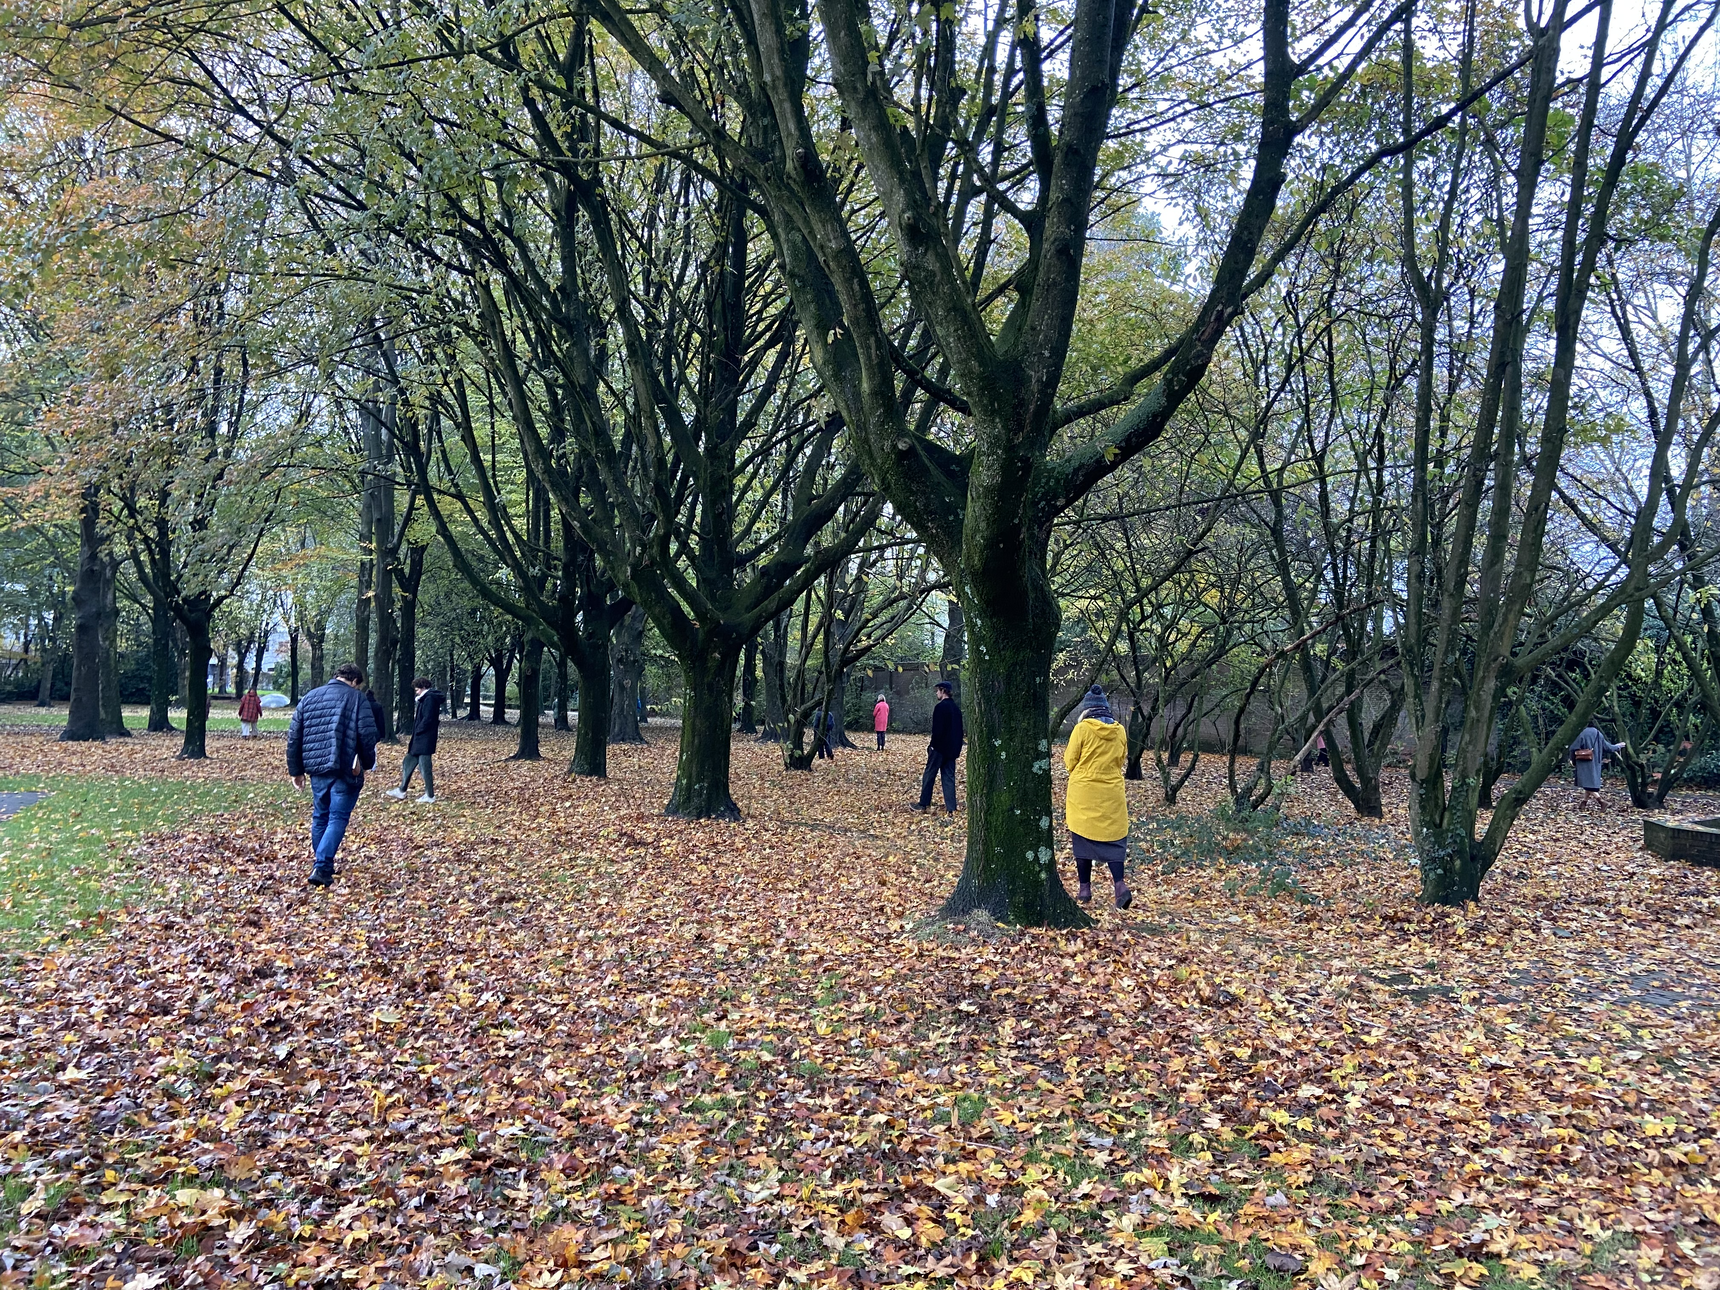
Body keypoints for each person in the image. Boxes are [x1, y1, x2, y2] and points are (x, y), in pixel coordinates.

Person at [285, 662, 378, 887]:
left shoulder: (309, 698)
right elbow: (368, 735)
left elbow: (294, 736)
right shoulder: (357, 699)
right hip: (345, 767)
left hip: (316, 767)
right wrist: (367, 762)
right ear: (355, 681)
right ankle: (322, 866)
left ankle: (321, 862)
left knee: (320, 816)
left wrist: (296, 771)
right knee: (337, 817)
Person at [1064, 684, 1133, 908]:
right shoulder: (1120, 731)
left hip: (1084, 793)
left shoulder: (1082, 729)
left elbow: (1070, 760)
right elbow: (1121, 759)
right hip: (1111, 792)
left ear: (1087, 710)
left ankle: (1084, 890)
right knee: (1114, 840)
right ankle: (1120, 886)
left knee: (1082, 838)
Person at [387, 677, 443, 804]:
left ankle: (430, 795)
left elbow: (428, 719)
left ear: (423, 687)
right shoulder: (426, 699)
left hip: (424, 738)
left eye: (417, 689)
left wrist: (419, 730)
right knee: (408, 761)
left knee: (425, 767)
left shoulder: (429, 699)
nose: (416, 692)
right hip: (421, 738)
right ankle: (402, 790)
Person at [915, 680, 963, 813]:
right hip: (952, 750)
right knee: (949, 778)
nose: (936, 693)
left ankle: (923, 804)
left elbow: (937, 730)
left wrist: (932, 746)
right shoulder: (956, 709)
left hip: (939, 749)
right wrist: (956, 749)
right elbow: (959, 732)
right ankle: (951, 808)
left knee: (929, 775)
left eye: (938, 690)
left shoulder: (940, 707)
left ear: (943, 691)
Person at [1570, 722, 1625, 810]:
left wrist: (1572, 760)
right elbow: (1608, 747)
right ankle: (1583, 803)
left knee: (1585, 783)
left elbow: (1574, 748)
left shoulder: (1582, 733)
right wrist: (1618, 746)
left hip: (1583, 762)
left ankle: (1601, 802)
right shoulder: (1598, 734)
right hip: (1595, 763)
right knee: (1589, 783)